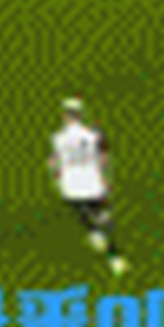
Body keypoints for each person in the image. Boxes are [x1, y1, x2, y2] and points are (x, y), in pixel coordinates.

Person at [49, 99, 128, 276]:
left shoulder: (58, 138)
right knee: (102, 215)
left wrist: (57, 175)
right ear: (80, 115)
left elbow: (54, 162)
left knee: (82, 211)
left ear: (64, 116)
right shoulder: (93, 135)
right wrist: (104, 177)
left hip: (70, 185)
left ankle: (94, 232)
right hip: (91, 183)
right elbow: (104, 156)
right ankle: (114, 256)